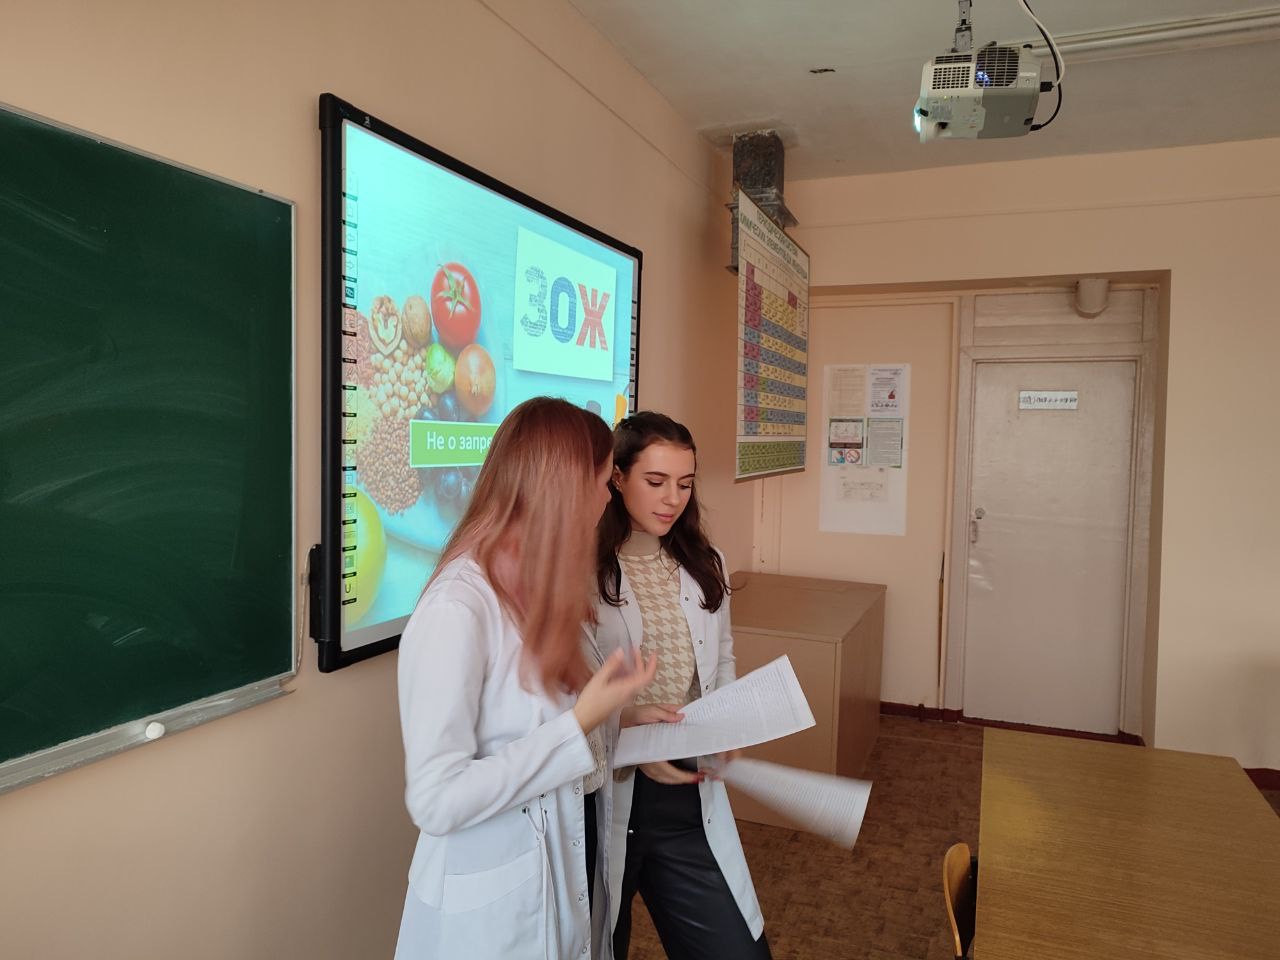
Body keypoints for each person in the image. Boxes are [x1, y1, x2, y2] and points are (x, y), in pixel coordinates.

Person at [395, 397, 659, 960]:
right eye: (602, 482)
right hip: (494, 909)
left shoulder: (536, 588)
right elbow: (437, 800)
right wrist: (580, 722)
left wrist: (622, 718)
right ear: (565, 490)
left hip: (559, 863)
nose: (608, 497)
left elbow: (536, 725)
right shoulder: (456, 610)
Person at [594, 412, 770, 959]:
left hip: (686, 791)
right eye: (655, 481)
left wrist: (727, 721)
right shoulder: (583, 570)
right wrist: (627, 732)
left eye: (685, 484)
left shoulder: (703, 561)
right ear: (617, 476)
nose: (673, 499)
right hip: (609, 791)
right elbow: (561, 696)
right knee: (600, 941)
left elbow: (721, 657)